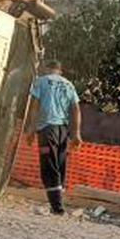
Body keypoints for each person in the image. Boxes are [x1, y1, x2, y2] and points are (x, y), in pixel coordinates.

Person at [25, 59, 82, 215]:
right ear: (60, 71)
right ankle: (57, 203)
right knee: (59, 165)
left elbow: (34, 106)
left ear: (46, 69)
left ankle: (57, 208)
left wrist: (31, 129)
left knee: (49, 167)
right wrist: (76, 133)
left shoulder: (41, 81)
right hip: (62, 130)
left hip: (46, 128)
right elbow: (76, 109)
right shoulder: (69, 85)